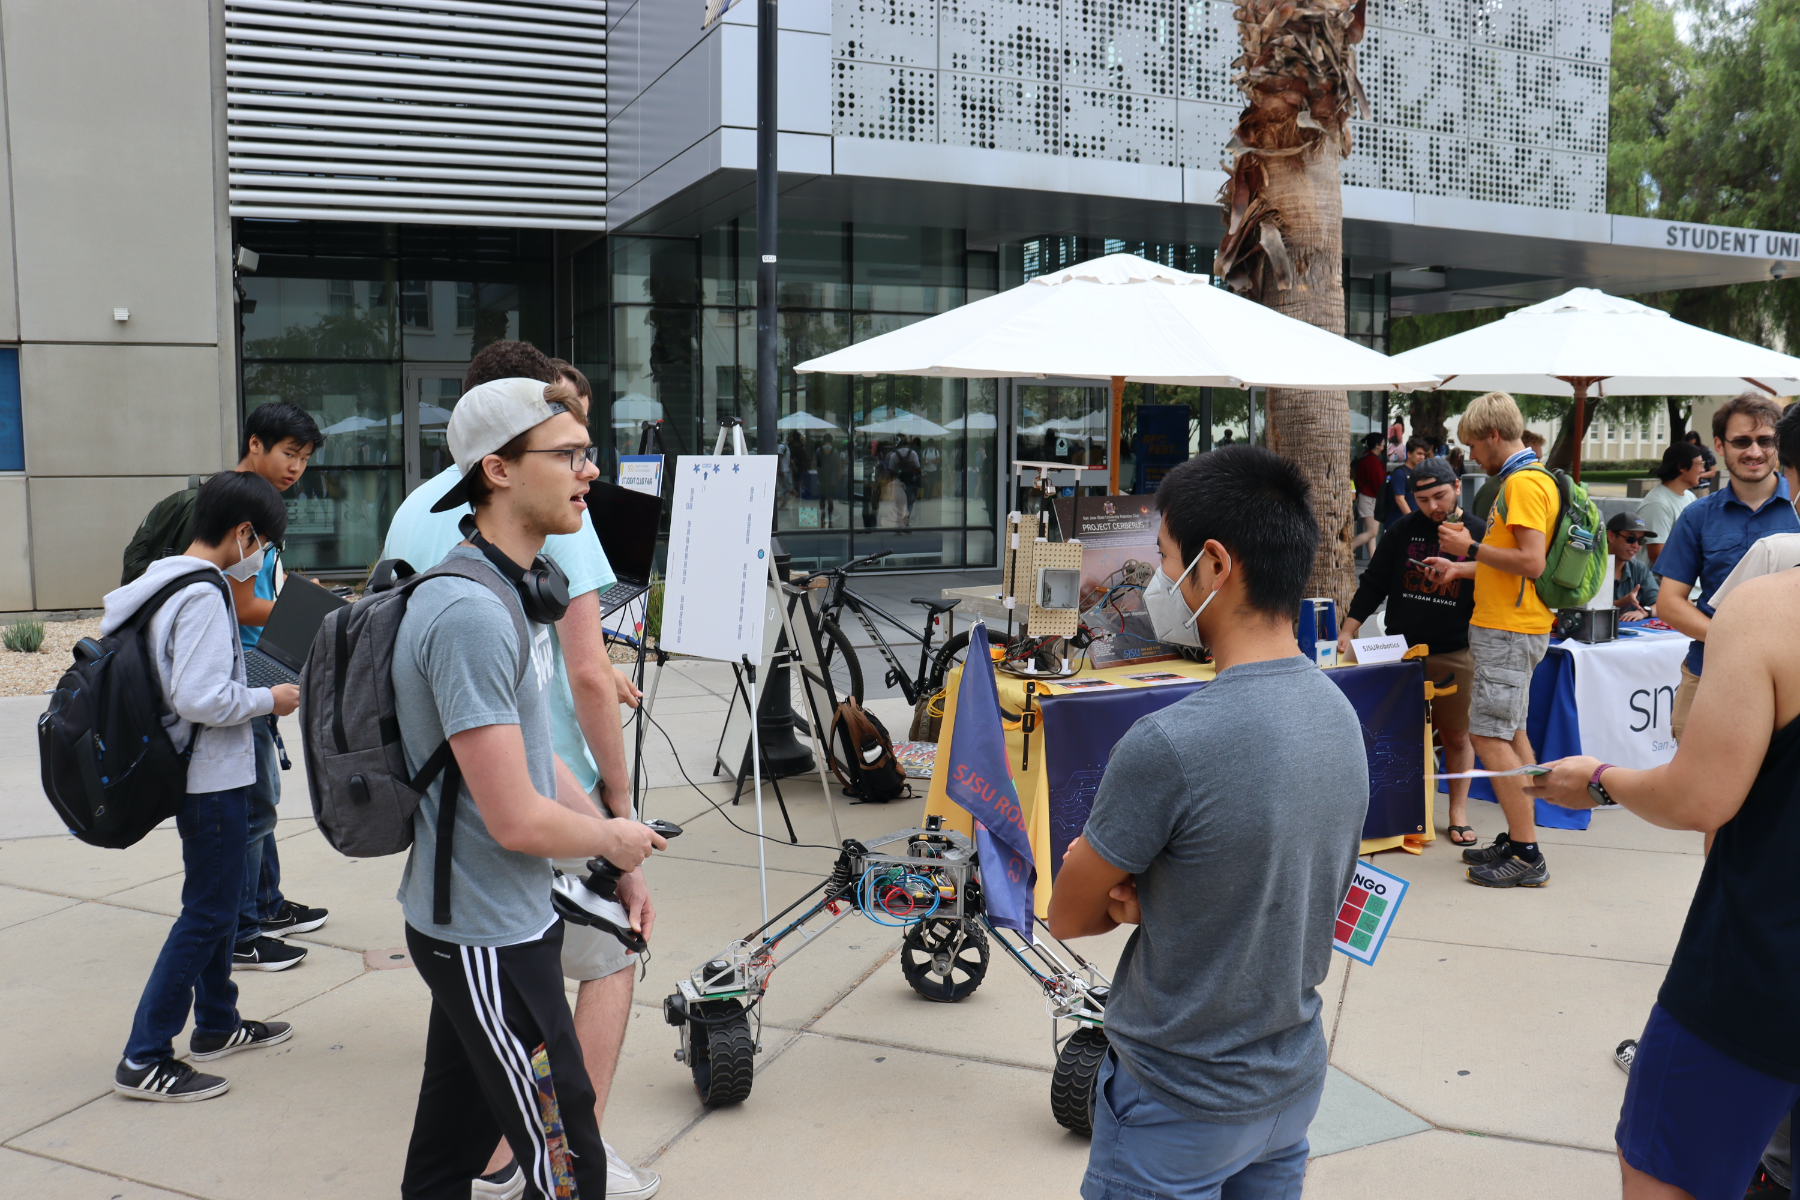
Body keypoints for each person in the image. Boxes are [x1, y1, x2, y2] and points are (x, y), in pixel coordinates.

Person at [1048, 446, 1369, 1196]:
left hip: (1174, 1100)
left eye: (1163, 558)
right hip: (1290, 1087)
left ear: (1215, 565)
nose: (1156, 581)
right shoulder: (1341, 716)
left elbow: (1068, 912)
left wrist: (1136, 893)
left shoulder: (1170, 742)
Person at [382, 343, 660, 1200]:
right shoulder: (470, 610)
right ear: (497, 471)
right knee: (564, 1158)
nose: (591, 470)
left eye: (588, 450)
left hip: (505, 920)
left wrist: (612, 863)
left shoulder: (511, 589)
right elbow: (515, 818)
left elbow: (536, 768)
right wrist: (615, 830)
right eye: (569, 454)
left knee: (448, 1157)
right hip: (484, 936)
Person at [1522, 562, 1800, 1200]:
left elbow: (1700, 797)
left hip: (1760, 974)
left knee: (1663, 1176)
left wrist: (1596, 779)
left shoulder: (1770, 609)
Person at [110, 471, 301, 1103]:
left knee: (215, 904)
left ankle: (217, 1024)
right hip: (207, 777)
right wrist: (268, 698)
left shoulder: (166, 579)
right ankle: (145, 1055)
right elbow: (198, 696)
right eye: (263, 545)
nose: (260, 558)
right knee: (210, 912)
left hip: (201, 772)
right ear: (243, 533)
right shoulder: (201, 593)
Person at [1424, 391, 1559, 888]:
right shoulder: (1530, 478)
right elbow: (1511, 562)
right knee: (1512, 732)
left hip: (1509, 628)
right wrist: (1461, 568)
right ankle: (1520, 834)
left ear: (1495, 436)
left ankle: (1526, 854)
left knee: (1489, 735)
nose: (1473, 457)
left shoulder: (1522, 484)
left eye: (1475, 447)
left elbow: (1531, 562)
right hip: (1513, 624)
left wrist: (1469, 545)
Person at [227, 403, 331, 973]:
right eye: (288, 454)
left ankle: (265, 905)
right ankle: (244, 928)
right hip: (242, 665)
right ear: (255, 444)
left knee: (261, 797)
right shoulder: (240, 507)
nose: (296, 468)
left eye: (304, 459)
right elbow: (243, 603)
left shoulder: (258, 505)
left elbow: (264, 585)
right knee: (254, 802)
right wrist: (304, 616)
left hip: (257, 660)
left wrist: (297, 596)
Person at [1340, 457, 1486, 846]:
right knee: (1394, 737)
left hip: (1454, 651)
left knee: (1456, 737)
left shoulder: (1478, 535)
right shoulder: (1402, 531)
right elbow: (1373, 583)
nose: (1432, 506)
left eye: (1439, 496)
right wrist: (1348, 629)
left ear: (1457, 487)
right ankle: (1398, 811)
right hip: (1400, 653)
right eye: (1422, 500)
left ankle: (1457, 813)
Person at [1652, 392, 1799, 743]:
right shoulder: (1696, 516)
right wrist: (1731, 639)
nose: (1754, 451)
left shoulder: (1798, 508)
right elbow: (1670, 603)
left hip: (1788, 679)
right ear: (1719, 445)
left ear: (1778, 443)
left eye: (1765, 441)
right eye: (1741, 441)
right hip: (1708, 673)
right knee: (1696, 790)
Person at [1638, 442, 1706, 569]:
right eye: (1700, 464)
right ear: (1682, 467)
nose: (1703, 470)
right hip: (1665, 586)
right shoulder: (1657, 504)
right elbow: (1658, 557)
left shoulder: (1689, 497)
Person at [1603, 513, 1659, 620]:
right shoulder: (1591, 567)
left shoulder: (1639, 569)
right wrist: (1624, 602)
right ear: (1611, 536)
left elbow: (1661, 605)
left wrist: (1645, 612)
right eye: (1631, 539)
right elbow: (1590, 611)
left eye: (1641, 540)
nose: (1636, 545)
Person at [1351, 432, 1386, 552]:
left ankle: (1372, 561)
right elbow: (1379, 483)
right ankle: (1347, 549)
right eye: (1383, 443)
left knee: (1371, 533)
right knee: (1372, 532)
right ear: (1377, 445)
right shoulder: (1372, 461)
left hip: (1368, 498)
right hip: (1369, 498)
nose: (1384, 446)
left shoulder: (1367, 457)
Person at [1384, 438, 1428, 528]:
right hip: (1400, 523)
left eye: (1424, 454)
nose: (1422, 457)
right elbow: (1400, 499)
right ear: (1409, 454)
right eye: (1419, 454)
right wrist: (1413, 520)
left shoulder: (1419, 473)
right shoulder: (1400, 473)